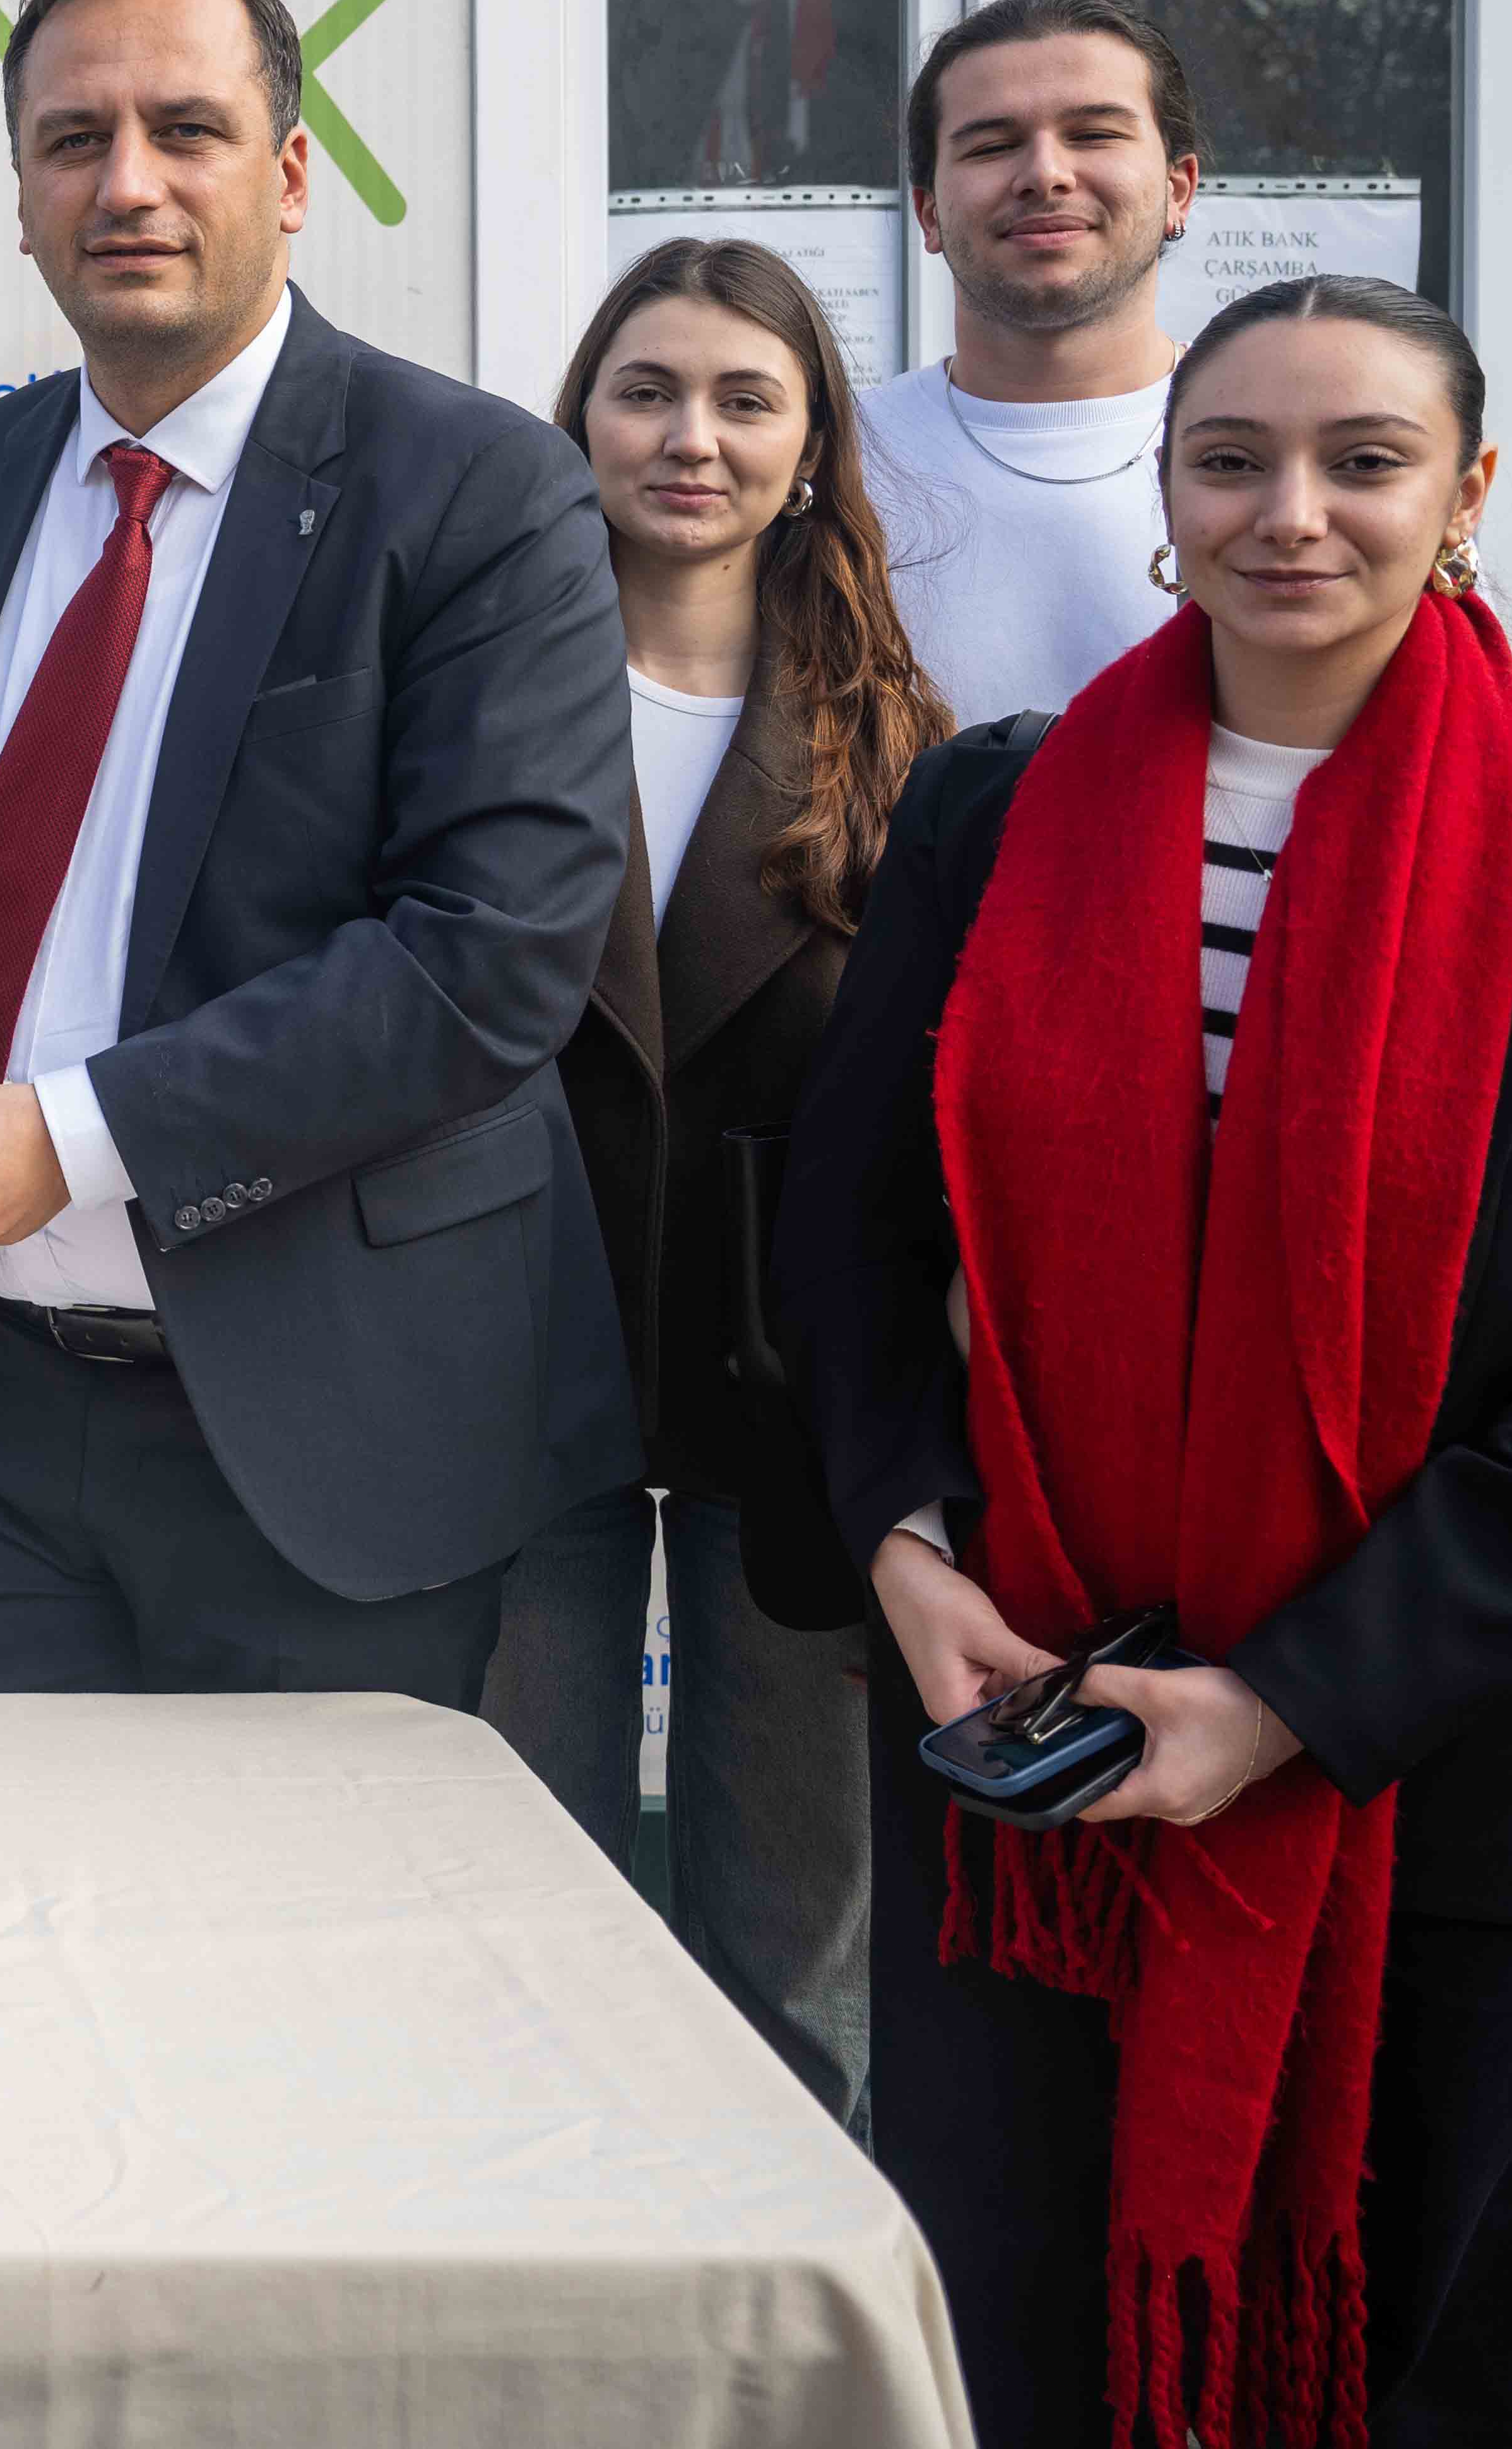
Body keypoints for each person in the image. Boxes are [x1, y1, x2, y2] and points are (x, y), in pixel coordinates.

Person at [784, 275, 1512, 2449]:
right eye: (1228, 460)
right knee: (1020, 2349)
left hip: (1435, 1778)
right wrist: (905, 1546)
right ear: (1166, 487)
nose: (1286, 512)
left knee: (1404, 2377)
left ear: (1465, 493)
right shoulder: (987, 817)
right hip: (1034, 1748)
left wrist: (1280, 1702)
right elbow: (850, 1240)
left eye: (1359, 461)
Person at [0, 0, 637, 1704]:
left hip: (329, 1423)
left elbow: (487, 958)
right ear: (20, 198)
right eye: (70, 140)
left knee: (301, 1902)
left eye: (184, 129)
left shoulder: (477, 487)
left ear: (291, 172)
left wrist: (82, 1133)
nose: (126, 184)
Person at [479, 238, 948, 2133]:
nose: (691, 437)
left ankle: (786, 2269)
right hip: (516, 1363)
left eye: (745, 398)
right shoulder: (468, 703)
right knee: (517, 1886)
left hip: (790, 1393)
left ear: (809, 440)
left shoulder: (898, 739)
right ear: (579, 421)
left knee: (794, 1930)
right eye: (646, 391)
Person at [859, 0, 1208, 724]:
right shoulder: (835, 462)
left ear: (1179, 190)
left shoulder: (1289, 458)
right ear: (928, 212)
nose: (1045, 174)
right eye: (991, 146)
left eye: (1095, 134)